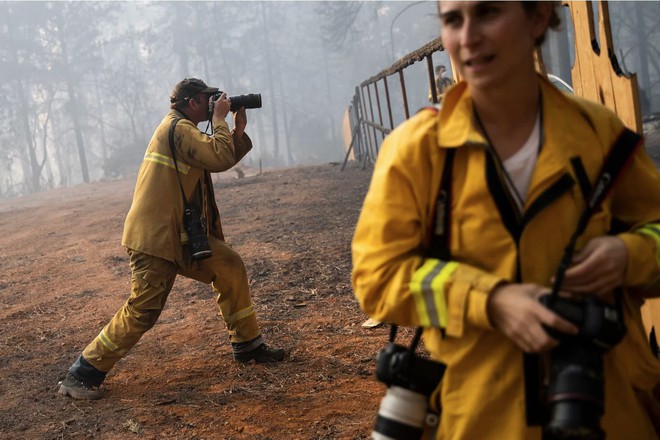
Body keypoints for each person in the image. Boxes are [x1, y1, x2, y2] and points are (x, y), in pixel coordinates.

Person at [352, 2, 660, 439]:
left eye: (488, 13)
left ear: (537, 18)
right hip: (477, 418)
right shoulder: (418, 152)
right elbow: (376, 278)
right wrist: (488, 300)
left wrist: (629, 255)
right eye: (453, 20)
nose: (468, 36)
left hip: (605, 411)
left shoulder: (599, 137)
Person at [58, 78, 285, 400]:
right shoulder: (178, 129)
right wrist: (220, 120)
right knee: (143, 309)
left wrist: (235, 131)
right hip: (156, 238)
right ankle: (82, 374)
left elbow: (216, 158)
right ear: (192, 102)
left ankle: (248, 345)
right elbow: (218, 158)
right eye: (209, 99)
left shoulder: (185, 130)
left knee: (229, 266)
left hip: (181, 235)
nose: (214, 103)